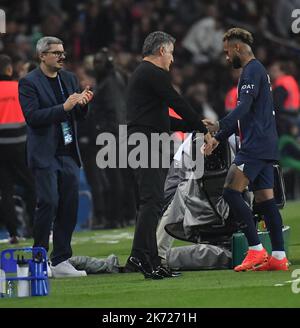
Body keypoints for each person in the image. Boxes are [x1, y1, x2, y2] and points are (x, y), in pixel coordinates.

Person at [125, 31, 210, 279]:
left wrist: (193, 125)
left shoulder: (143, 75)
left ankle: (149, 259)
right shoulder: (152, 73)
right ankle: (141, 257)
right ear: (161, 51)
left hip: (146, 140)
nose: (172, 59)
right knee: (151, 202)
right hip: (146, 143)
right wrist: (202, 128)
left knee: (152, 202)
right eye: (171, 53)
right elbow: (177, 101)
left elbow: (160, 119)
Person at [203, 28, 289, 271]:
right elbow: (245, 114)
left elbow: (243, 108)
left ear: (237, 48)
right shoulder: (256, 70)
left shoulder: (251, 71)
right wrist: (219, 137)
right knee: (265, 201)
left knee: (231, 192)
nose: (227, 57)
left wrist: (220, 125)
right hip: (265, 143)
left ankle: (256, 250)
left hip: (254, 145)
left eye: (227, 52)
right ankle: (279, 257)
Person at [18, 36, 93, 278]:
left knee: (69, 207)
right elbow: (33, 117)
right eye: (56, 53)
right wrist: (64, 108)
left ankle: (61, 260)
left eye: (63, 52)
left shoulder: (69, 79)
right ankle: (39, 259)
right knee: (49, 202)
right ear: (41, 56)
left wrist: (82, 104)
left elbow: (76, 116)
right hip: (45, 154)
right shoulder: (29, 83)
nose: (62, 56)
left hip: (68, 152)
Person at [0, 54, 36, 243]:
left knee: (5, 190)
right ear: (9, 70)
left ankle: (13, 234)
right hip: (20, 144)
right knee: (31, 185)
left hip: (0, 148)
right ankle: (37, 228)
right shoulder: (19, 87)